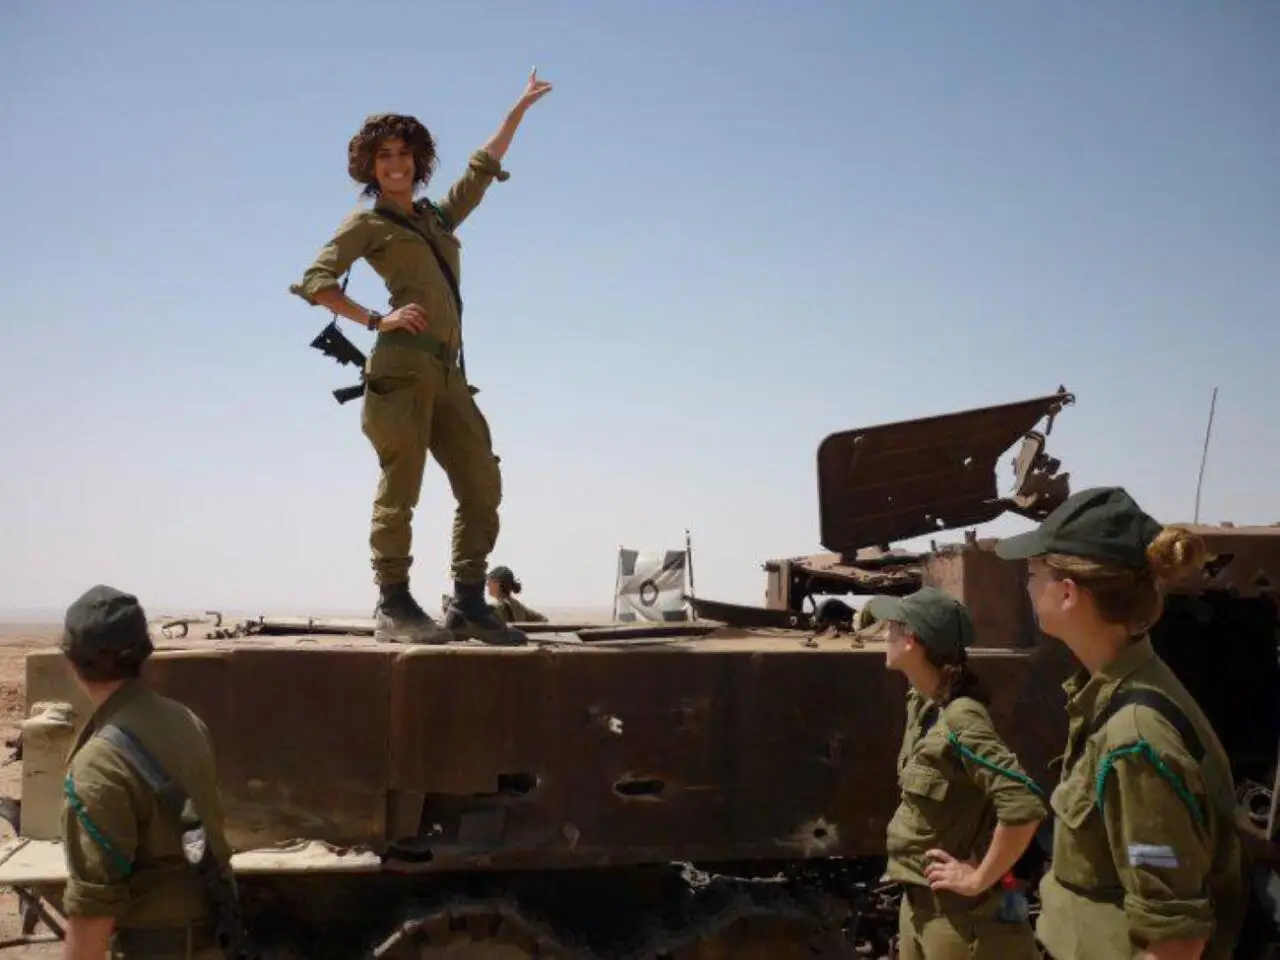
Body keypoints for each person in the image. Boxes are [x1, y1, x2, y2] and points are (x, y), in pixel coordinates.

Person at [289, 69, 553, 647]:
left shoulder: (435, 220)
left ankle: (468, 603)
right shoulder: (367, 223)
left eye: (404, 154)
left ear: (418, 160)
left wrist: (517, 112)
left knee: (481, 483)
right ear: (370, 166)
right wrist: (375, 319)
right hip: (401, 369)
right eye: (383, 156)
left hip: (449, 373)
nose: (395, 164)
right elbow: (314, 280)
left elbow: (478, 174)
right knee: (401, 488)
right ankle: (393, 602)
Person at [994, 486, 1245, 960]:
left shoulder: (1135, 736)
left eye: (1033, 573)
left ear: (1067, 593)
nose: (1027, 586)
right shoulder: (1115, 692)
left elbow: (1175, 942)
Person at [868, 585, 1047, 959]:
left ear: (912, 641)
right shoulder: (924, 705)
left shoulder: (961, 718)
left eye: (893, 628)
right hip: (919, 906)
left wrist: (979, 877)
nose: (885, 636)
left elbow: (1023, 805)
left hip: (961, 922)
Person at [58, 585, 234, 959]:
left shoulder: (98, 763)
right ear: (144, 653)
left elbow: (93, 910)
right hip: (210, 938)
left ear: (72, 663)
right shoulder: (185, 721)